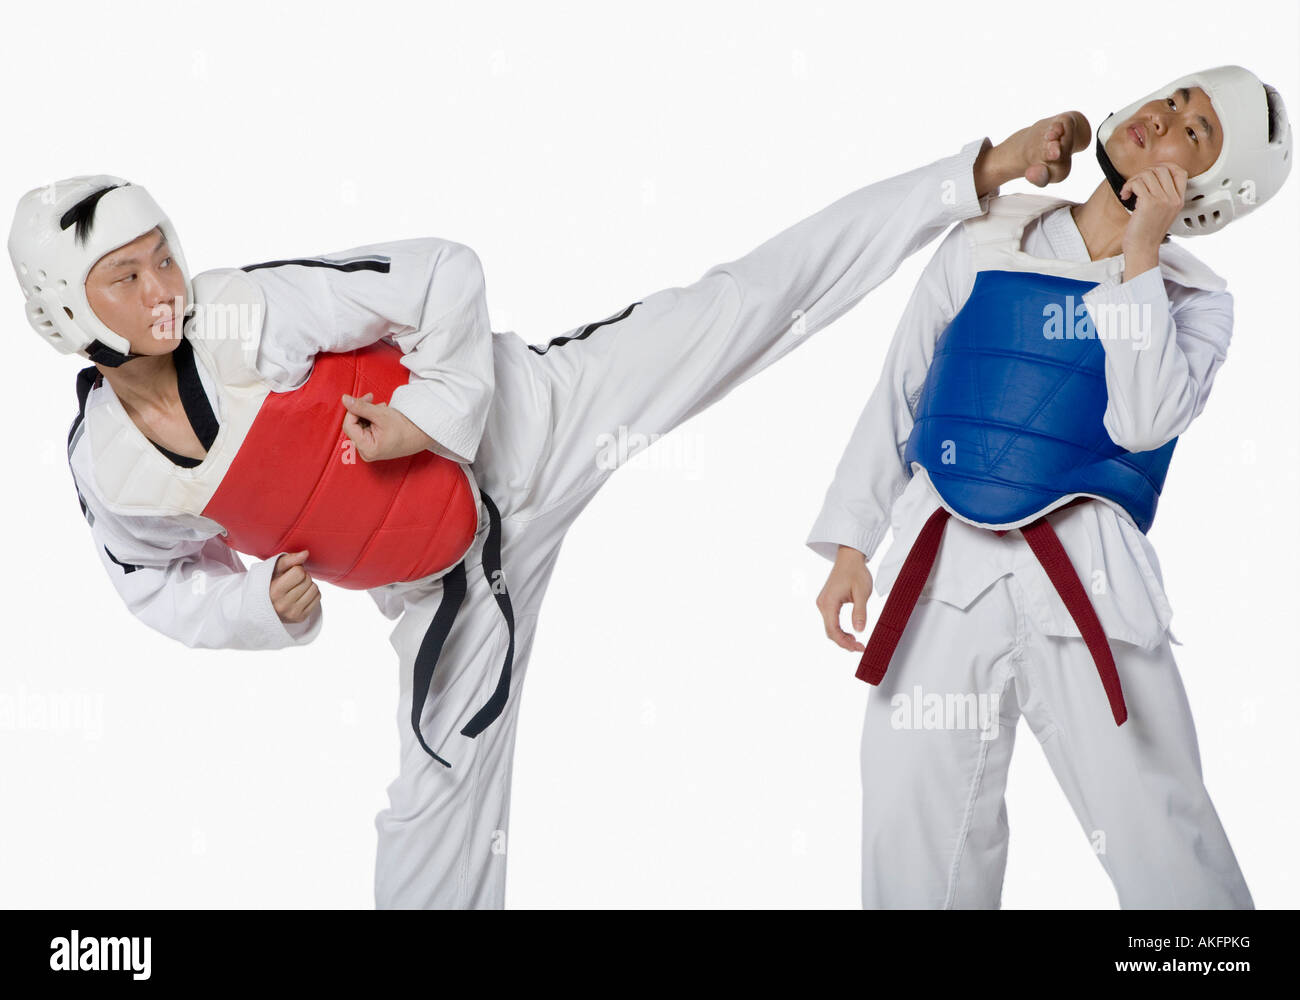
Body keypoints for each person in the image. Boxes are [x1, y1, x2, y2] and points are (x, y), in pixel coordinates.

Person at [11, 111, 1083, 908]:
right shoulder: (115, 470)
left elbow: (441, 274)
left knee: (741, 305)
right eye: (123, 276)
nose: (161, 282)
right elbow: (153, 584)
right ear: (68, 312)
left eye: (162, 253)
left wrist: (431, 415)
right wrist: (265, 610)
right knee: (435, 814)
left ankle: (969, 177)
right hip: (448, 590)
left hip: (538, 417)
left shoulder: (247, 312)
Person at [808, 65, 1292, 909]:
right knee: (910, 826)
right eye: (1174, 98)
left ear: (1210, 189)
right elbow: (903, 389)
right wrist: (853, 541)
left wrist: (1142, 257)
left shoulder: (1195, 303)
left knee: (1162, 840)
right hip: (944, 574)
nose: (1166, 117)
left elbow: (1145, 423)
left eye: (1197, 130)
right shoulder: (987, 240)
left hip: (1089, 589)